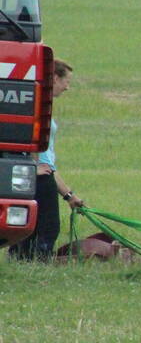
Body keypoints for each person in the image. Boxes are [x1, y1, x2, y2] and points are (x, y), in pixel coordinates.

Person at [9, 59, 86, 261]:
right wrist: (32, 169)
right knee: (47, 228)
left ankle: (22, 263)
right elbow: (41, 161)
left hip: (39, 174)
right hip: (38, 178)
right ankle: (36, 265)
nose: (68, 87)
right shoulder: (36, 107)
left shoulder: (41, 106)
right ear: (54, 78)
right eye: (66, 81)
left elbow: (48, 163)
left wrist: (69, 196)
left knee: (32, 227)